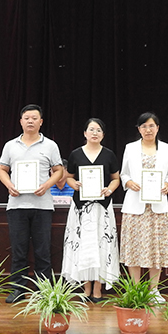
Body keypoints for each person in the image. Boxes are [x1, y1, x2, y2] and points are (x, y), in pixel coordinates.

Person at [0, 104, 64, 303]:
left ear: (41, 122)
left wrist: (47, 185)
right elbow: (2, 170)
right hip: (17, 205)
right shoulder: (10, 145)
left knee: (42, 251)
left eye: (34, 118)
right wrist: (9, 185)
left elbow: (59, 170)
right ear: (21, 121)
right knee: (18, 250)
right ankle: (18, 289)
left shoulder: (50, 145)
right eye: (27, 118)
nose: (30, 121)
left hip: (42, 206)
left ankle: (44, 291)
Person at [61, 118, 121, 302]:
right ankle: (86, 288)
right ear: (85, 133)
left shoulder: (109, 154)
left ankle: (98, 288)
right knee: (84, 245)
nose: (95, 133)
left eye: (99, 130)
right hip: (81, 208)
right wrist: (73, 184)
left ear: (103, 135)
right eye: (91, 129)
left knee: (101, 245)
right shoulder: (76, 154)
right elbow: (69, 177)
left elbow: (116, 179)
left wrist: (109, 189)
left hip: (102, 208)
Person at [119, 112, 168, 303]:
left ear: (157, 128)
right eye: (144, 126)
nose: (148, 130)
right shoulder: (130, 148)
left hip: (157, 207)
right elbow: (124, 174)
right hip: (135, 206)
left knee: (156, 249)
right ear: (139, 129)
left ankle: (154, 290)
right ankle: (135, 289)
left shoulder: (167, 149)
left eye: (151, 126)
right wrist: (129, 183)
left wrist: (167, 185)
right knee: (133, 248)